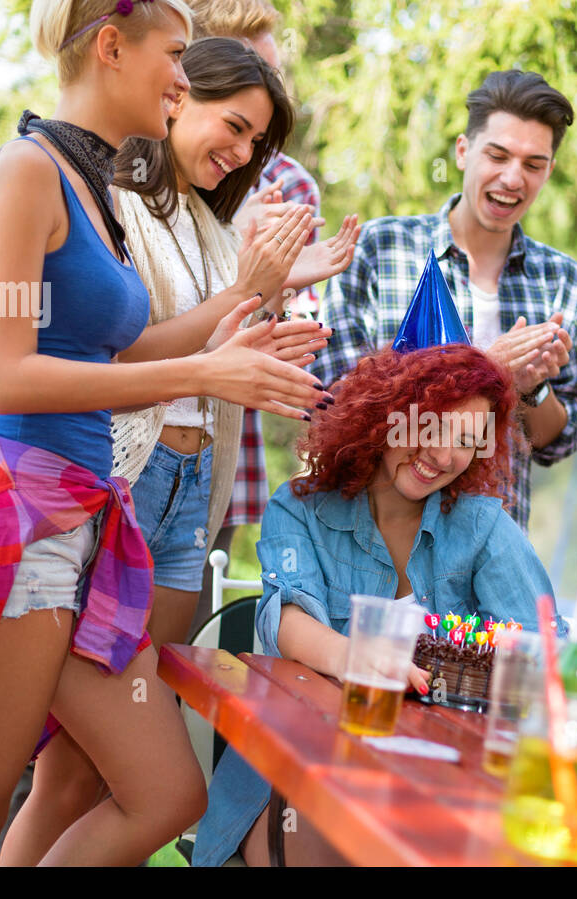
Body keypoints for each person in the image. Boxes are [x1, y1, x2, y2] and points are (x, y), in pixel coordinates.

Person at [0, 0, 329, 866]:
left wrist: (233, 334)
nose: (182, 75)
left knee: (168, 793)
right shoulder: (26, 170)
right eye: (176, 55)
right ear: (111, 47)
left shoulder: (99, 190)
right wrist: (203, 374)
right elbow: (9, 376)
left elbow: (128, 345)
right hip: (15, 530)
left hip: (88, 532)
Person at [0, 36, 358, 866]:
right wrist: (249, 299)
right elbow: (115, 358)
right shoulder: (111, 197)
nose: (239, 154)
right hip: (126, 475)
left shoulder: (213, 222)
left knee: (87, 770)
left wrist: (270, 332)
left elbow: (218, 349)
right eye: (231, 126)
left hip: (191, 493)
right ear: (179, 97)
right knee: (86, 768)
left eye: (256, 145)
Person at [193, 344, 565, 865]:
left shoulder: (483, 526)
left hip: (446, 786)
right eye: (429, 426)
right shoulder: (300, 509)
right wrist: (355, 659)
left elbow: (547, 649)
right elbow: (287, 615)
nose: (442, 454)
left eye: (464, 440)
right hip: (303, 780)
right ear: (386, 417)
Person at [315, 69, 577, 530]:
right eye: (498, 155)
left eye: (533, 164)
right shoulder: (381, 249)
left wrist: (530, 388)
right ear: (464, 152)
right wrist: (487, 369)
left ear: (549, 170)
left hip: (486, 549)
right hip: (365, 536)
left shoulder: (563, 281)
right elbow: (334, 402)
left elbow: (556, 443)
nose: (512, 178)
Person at [187, 0, 327, 629]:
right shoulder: (129, 164)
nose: (250, 147)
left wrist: (272, 285)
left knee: (165, 654)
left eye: (271, 74)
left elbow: (292, 335)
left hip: (217, 458)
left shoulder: (290, 186)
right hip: (118, 450)